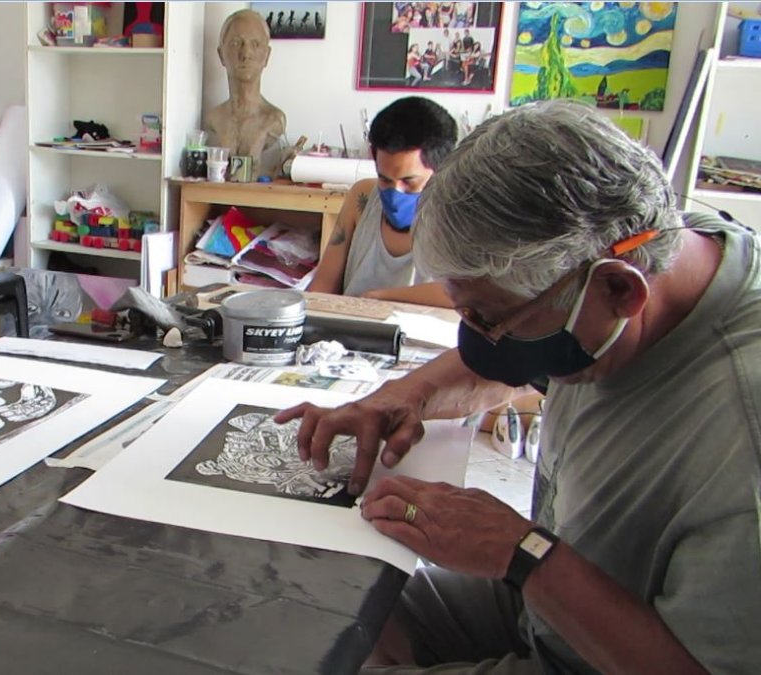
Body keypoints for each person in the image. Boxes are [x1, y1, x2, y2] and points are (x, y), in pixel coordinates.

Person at [279, 100, 761, 673]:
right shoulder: (654, 243)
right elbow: (503, 354)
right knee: (333, 612)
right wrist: (396, 398)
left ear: (619, 293)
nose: (478, 343)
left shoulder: (741, 440)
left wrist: (525, 553)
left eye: (487, 317)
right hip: (545, 599)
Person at [307, 96, 456, 306]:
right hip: (349, 330)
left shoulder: (462, 214)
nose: (395, 192)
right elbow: (322, 288)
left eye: (409, 182)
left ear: (441, 170)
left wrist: (381, 297)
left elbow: (469, 296)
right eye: (384, 179)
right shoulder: (363, 197)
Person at [205, 9, 287, 177]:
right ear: (221, 54)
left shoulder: (274, 120)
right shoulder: (213, 118)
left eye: (255, 44)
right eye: (236, 43)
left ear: (267, 56)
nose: (246, 54)